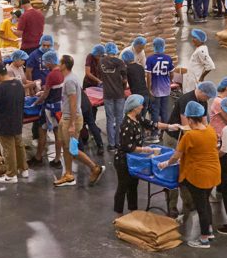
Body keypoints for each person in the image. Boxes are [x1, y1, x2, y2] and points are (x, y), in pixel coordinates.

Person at [158, 101, 222, 249]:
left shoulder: (189, 136)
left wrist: (165, 164)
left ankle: (204, 239)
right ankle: (209, 231)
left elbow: (176, 156)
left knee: (201, 207)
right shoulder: (211, 130)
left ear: (191, 119)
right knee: (205, 203)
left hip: (199, 176)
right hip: (213, 173)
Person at [53, 55, 105, 188]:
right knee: (67, 147)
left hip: (72, 119)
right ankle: (68, 175)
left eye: (60, 63)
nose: (58, 64)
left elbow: (73, 103)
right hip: (68, 117)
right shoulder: (70, 78)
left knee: (72, 149)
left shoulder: (70, 81)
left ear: (64, 65)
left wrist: (71, 124)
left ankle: (94, 168)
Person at [114, 94, 161, 213]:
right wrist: (148, 150)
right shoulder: (126, 124)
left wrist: (170, 126)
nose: (142, 106)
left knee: (133, 185)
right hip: (123, 160)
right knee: (123, 187)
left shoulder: (137, 118)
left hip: (134, 159)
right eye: (140, 104)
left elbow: (152, 124)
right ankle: (119, 214)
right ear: (134, 107)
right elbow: (128, 147)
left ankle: (133, 211)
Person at [0, 61, 29, 183]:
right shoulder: (18, 84)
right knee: (19, 144)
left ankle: (11, 175)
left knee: (8, 148)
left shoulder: (0, 88)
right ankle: (24, 169)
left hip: (4, 122)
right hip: (17, 120)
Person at [99, 42, 127, 150]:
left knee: (110, 119)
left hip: (107, 94)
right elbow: (124, 79)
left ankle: (111, 144)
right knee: (119, 118)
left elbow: (101, 75)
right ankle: (118, 142)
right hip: (119, 94)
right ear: (115, 51)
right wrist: (123, 87)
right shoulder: (120, 62)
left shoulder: (101, 61)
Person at [144, 37, 174, 125]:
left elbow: (148, 75)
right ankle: (165, 129)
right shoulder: (168, 58)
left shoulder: (150, 59)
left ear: (154, 46)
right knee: (165, 110)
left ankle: (155, 131)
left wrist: (149, 88)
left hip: (155, 89)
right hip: (166, 88)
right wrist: (170, 81)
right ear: (163, 46)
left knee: (155, 110)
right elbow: (172, 73)